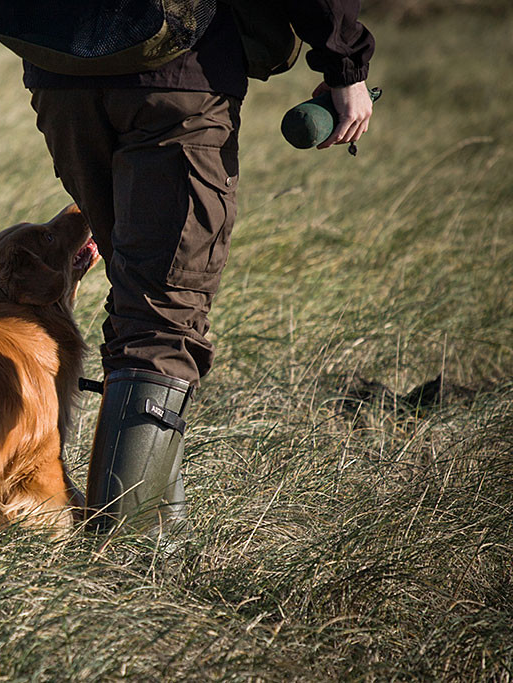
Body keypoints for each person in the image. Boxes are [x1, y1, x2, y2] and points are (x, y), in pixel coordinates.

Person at [23, 1, 375, 535]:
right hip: (176, 73)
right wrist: (343, 62)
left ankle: (165, 533)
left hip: (59, 66)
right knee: (162, 318)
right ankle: (125, 553)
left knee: (143, 301)